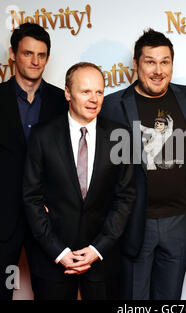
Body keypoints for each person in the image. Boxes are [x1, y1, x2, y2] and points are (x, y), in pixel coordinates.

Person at [99, 28, 186, 299]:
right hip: (135, 221)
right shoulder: (111, 106)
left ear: (172, 63)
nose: (158, 70)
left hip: (179, 221)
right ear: (135, 64)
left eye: (165, 62)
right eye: (150, 62)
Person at [0, 22, 68, 300]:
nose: (35, 61)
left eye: (41, 55)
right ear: (13, 54)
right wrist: (3, 198)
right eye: (27, 53)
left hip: (49, 222)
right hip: (0, 222)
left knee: (53, 295)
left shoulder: (61, 101)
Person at [22, 62, 135, 300]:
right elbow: (31, 197)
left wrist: (97, 249)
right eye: (85, 91)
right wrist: (58, 251)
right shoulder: (43, 135)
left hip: (102, 261)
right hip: (53, 259)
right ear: (67, 93)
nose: (94, 99)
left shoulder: (120, 136)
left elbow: (125, 197)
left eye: (99, 92)